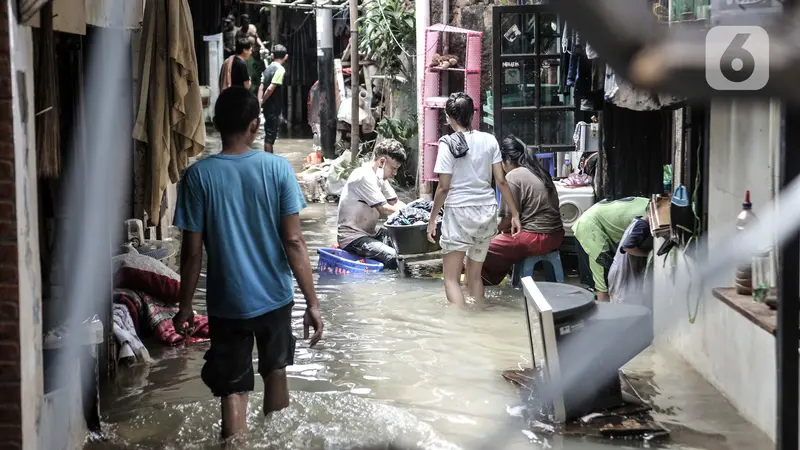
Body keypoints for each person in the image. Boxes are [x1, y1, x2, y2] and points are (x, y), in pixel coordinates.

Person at [171, 87, 324, 441]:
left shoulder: (198, 177)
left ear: (216, 123)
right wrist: (312, 303)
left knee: (233, 390)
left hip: (227, 304)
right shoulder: (278, 169)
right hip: (274, 296)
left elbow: (192, 254)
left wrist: (183, 308)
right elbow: (294, 242)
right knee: (275, 372)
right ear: (255, 125)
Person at [427, 93, 521, 306]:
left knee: (451, 279)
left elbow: (443, 187)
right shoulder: (489, 140)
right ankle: (478, 316)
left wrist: (432, 219)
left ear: (449, 117)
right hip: (486, 214)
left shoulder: (447, 143)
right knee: (474, 276)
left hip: (460, 214)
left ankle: (460, 330)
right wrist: (515, 214)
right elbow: (501, 181)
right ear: (473, 115)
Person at [481, 135, 565, 285]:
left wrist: (492, 232)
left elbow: (507, 221)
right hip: (556, 236)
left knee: (480, 250)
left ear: (505, 159)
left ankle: (478, 289)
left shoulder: (513, 176)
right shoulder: (539, 171)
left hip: (536, 237)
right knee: (498, 243)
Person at [337, 139, 407, 269]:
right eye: (394, 168)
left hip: (371, 233)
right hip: (352, 237)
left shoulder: (380, 179)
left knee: (405, 244)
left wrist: (417, 212)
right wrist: (407, 213)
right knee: (392, 257)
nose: (394, 173)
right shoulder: (363, 176)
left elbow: (395, 203)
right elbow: (384, 209)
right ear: (382, 162)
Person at [572, 196, 650, 302]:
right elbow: (628, 247)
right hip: (590, 227)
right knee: (603, 282)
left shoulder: (654, 207)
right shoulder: (653, 216)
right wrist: (646, 254)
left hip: (596, 220)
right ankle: (605, 314)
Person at [607, 215, 653, 306]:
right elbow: (627, 247)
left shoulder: (638, 220)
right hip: (623, 273)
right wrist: (647, 255)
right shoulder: (642, 226)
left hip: (620, 270)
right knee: (622, 307)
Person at [258, 44, 289, 153]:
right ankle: (269, 160)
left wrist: (260, 102)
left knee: (268, 134)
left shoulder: (267, 69)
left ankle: (268, 159)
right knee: (270, 137)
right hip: (273, 107)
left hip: (267, 108)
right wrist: (263, 100)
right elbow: (271, 88)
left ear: (272, 56)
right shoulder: (280, 70)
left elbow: (261, 87)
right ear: (286, 57)